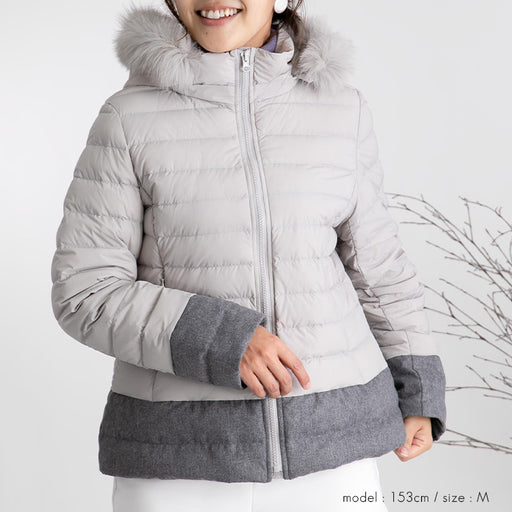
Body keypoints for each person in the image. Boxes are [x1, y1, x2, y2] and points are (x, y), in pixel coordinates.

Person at [50, 1, 447, 511]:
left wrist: (417, 387)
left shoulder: (341, 109)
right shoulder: (127, 119)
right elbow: (86, 292)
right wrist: (223, 340)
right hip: (179, 466)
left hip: (335, 452)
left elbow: (378, 268)